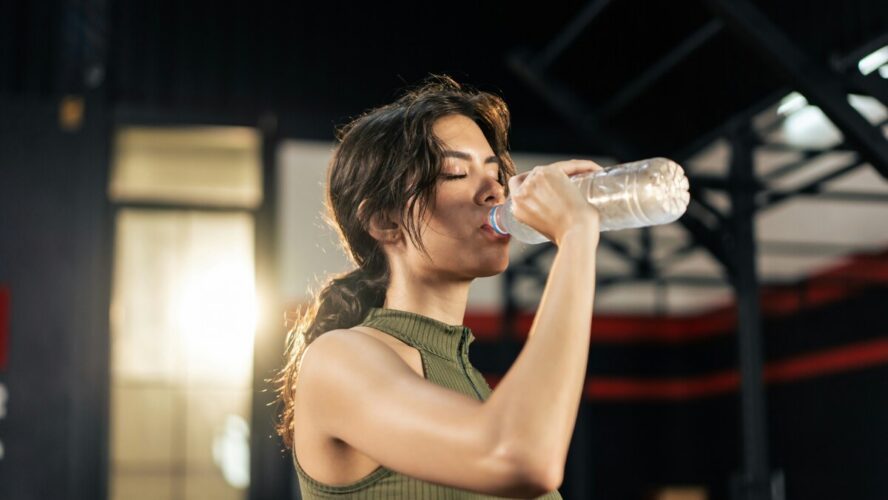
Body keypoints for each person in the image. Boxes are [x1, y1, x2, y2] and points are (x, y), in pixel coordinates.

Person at [274, 74, 602, 499]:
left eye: (494, 171)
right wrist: (576, 237)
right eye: (455, 173)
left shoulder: (473, 388)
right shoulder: (338, 359)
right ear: (385, 221)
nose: (494, 191)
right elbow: (520, 456)